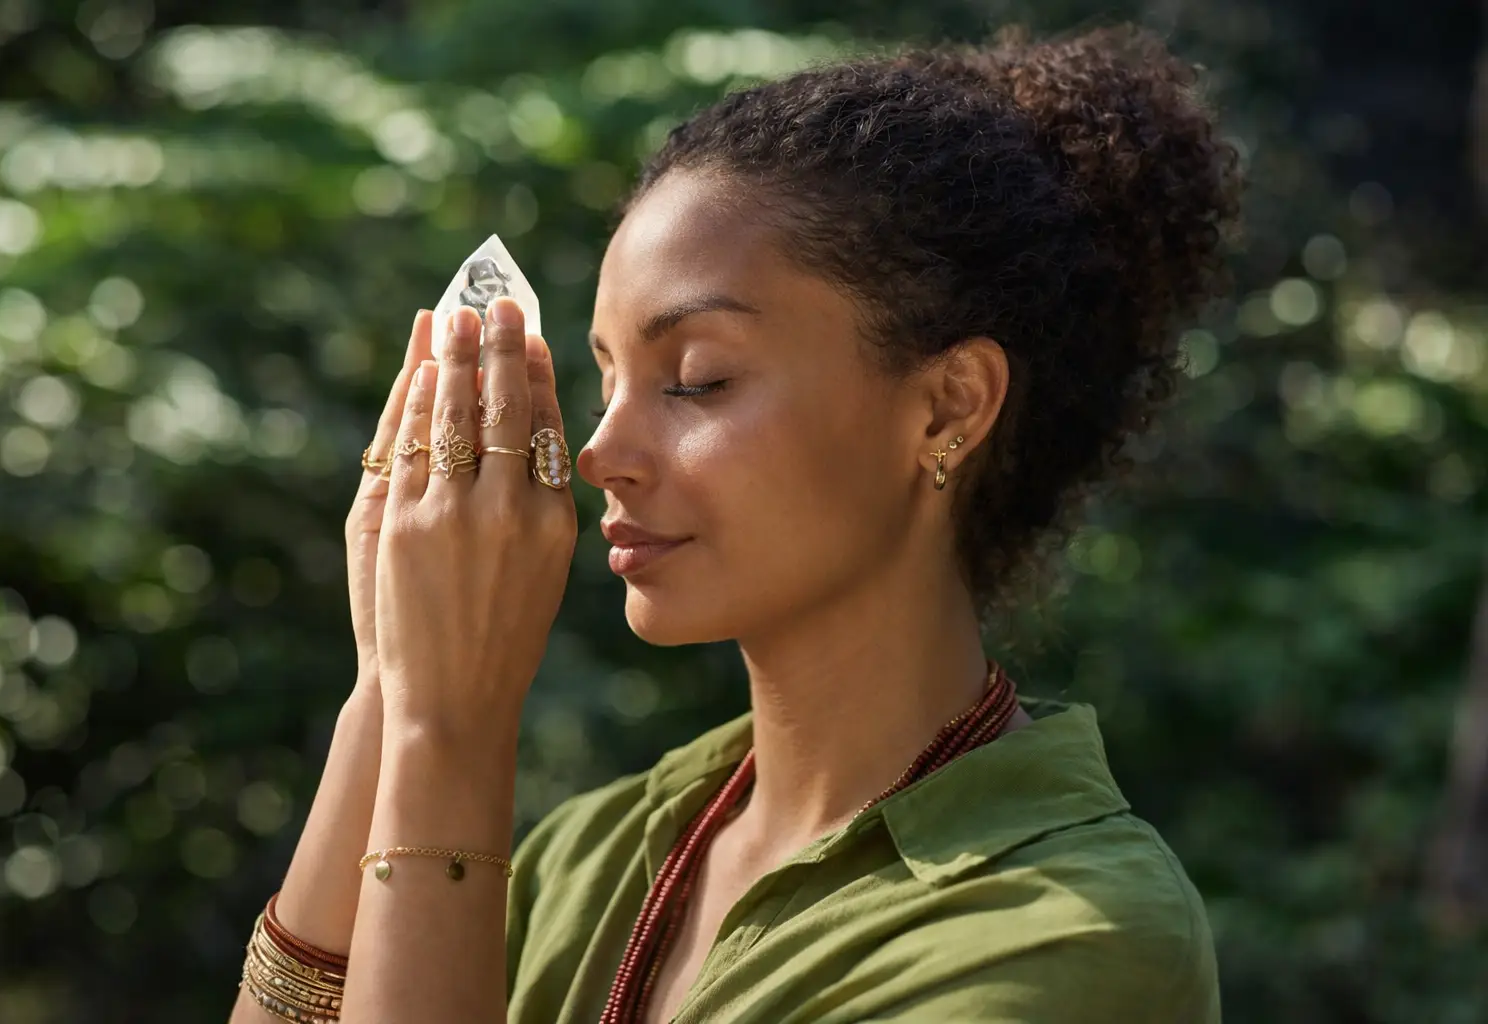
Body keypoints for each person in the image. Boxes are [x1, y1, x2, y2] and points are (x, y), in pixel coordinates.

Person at [228, 22, 1241, 1024]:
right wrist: (391, 695)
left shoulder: (1071, 930)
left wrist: (450, 731)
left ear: (947, 406)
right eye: (606, 379)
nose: (600, 453)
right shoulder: (592, 860)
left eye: (698, 379)